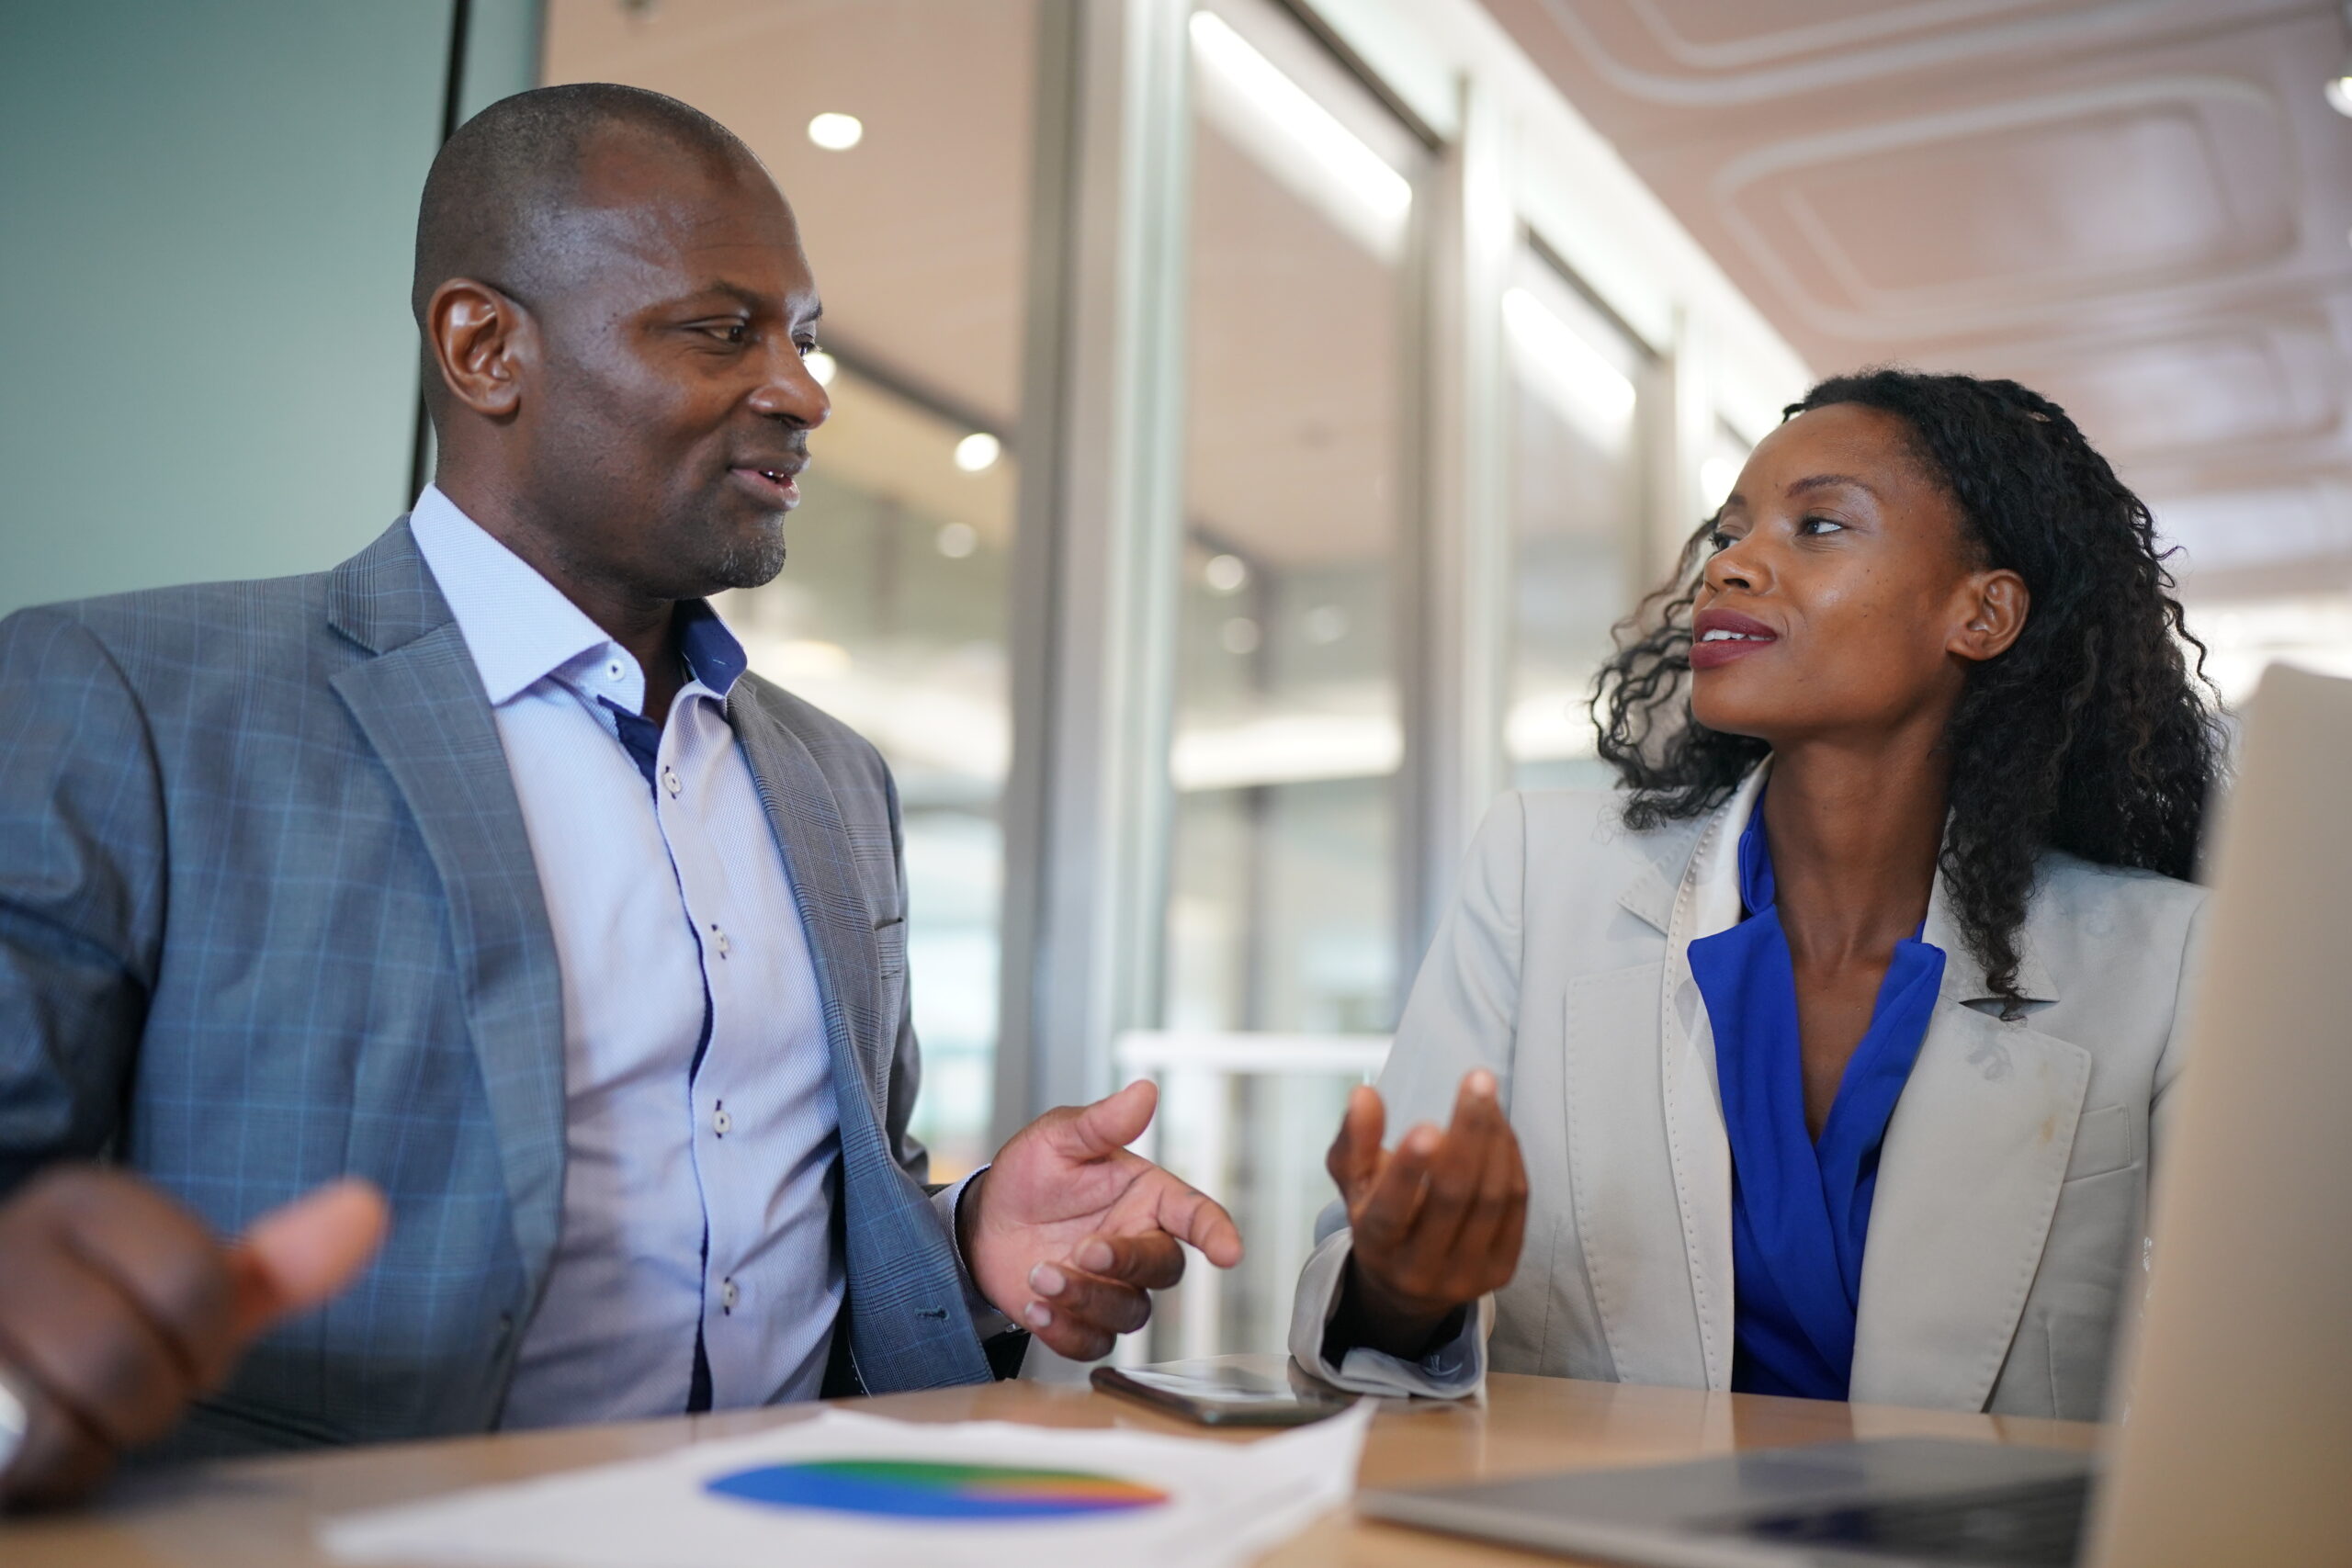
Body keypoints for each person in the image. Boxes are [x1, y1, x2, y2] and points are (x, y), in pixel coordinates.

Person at [0, 84, 1239, 1508]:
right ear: (485, 348)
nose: (803, 391)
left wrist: (963, 1243)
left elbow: (820, 1213)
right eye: (723, 330)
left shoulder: (838, 779)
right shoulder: (132, 696)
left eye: (807, 337)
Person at [1289, 369, 2220, 1420]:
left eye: (1817, 525)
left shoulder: (2168, 960)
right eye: (1728, 531)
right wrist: (1401, 1291)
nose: (1731, 564)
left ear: (1983, 613)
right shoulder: (1537, 871)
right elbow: (1354, 1299)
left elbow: (2256, 1374)